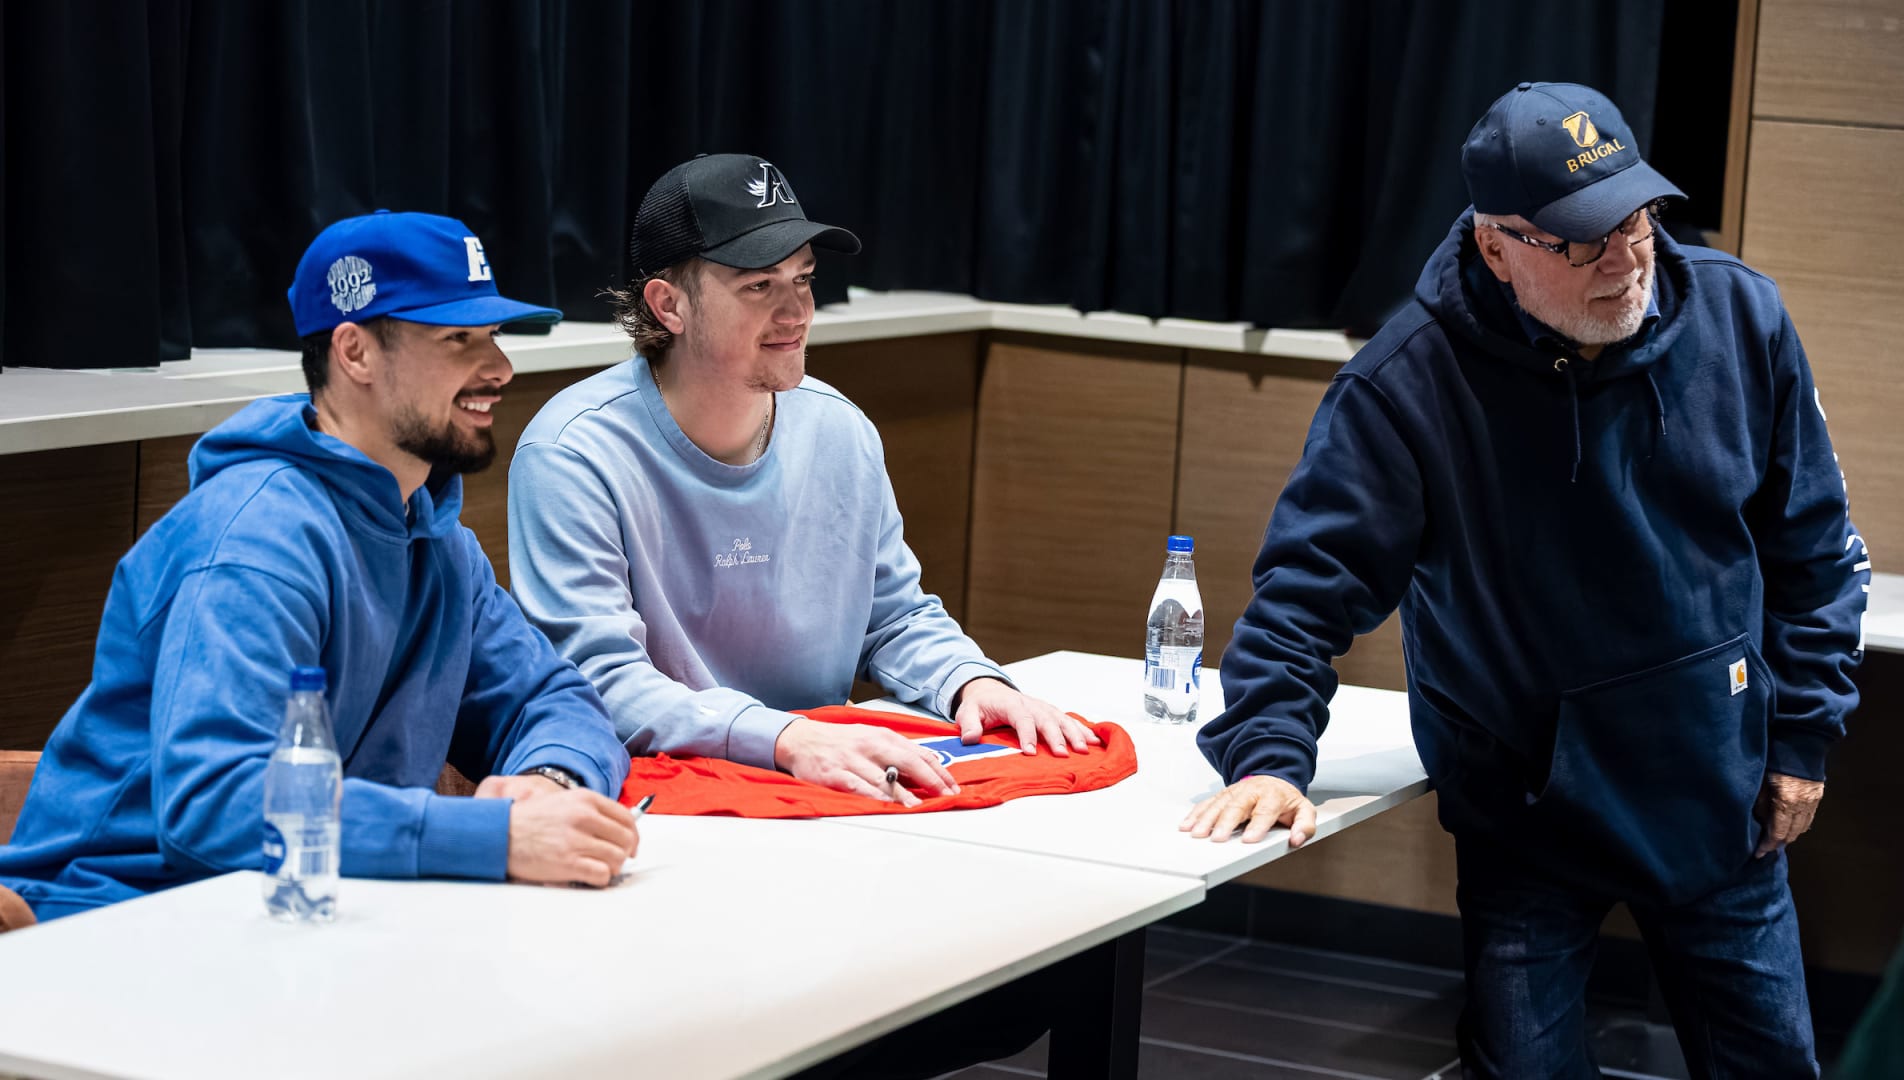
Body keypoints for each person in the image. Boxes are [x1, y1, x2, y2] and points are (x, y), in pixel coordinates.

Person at [1181, 83, 1866, 1077]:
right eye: (1581, 243)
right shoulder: (1408, 383)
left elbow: (1816, 546)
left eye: (1635, 221)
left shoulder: (1740, 317)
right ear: (1496, 245)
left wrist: (1802, 735)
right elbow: (1305, 590)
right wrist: (1268, 756)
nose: (1624, 260)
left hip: (1719, 790)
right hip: (1528, 814)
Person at [0, 211, 638, 930]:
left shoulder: (438, 540)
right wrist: (491, 838)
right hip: (112, 919)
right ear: (355, 352)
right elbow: (215, 803)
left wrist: (547, 782)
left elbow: (553, 699)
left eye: (492, 336)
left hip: (312, 915)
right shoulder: (256, 539)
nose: (499, 368)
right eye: (458, 339)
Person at [508, 154, 1098, 806]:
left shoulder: (841, 430)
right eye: (760, 285)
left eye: (804, 279)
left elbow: (892, 616)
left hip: (827, 781)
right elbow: (598, 679)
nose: (796, 312)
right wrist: (785, 739)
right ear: (668, 305)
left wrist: (971, 682)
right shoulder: (572, 453)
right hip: (671, 799)